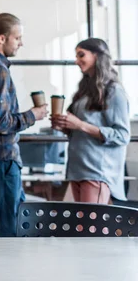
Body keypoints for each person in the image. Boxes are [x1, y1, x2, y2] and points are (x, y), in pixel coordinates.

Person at [0, 13, 48, 237]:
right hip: (2, 157)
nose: (21, 43)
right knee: (6, 226)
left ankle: (3, 269)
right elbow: (0, 123)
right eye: (18, 38)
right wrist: (33, 115)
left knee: (11, 218)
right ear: (1, 39)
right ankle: (0, 271)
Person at [51, 38, 130, 203]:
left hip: (97, 171)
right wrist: (65, 126)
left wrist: (80, 125)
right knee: (83, 227)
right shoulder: (85, 91)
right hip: (78, 170)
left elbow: (122, 135)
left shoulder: (113, 91)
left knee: (91, 227)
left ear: (97, 56)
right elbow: (81, 130)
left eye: (81, 55)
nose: (76, 61)